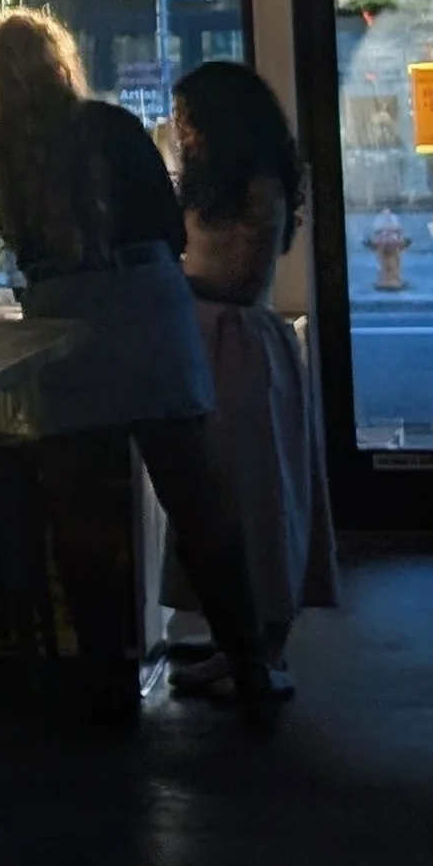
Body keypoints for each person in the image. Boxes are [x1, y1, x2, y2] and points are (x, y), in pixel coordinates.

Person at [0, 5, 277, 724]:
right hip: (150, 309)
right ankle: (251, 675)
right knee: (202, 506)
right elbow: (169, 230)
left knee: (82, 525)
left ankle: (101, 688)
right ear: (62, 63)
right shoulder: (113, 128)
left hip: (64, 326)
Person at [168, 60, 337, 699]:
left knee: (254, 499)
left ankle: (263, 649)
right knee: (223, 499)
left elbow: (240, 278)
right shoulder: (220, 182)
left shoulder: (258, 187)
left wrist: (174, 285)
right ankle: (235, 642)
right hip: (212, 342)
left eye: (190, 117)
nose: (182, 129)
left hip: (237, 347)